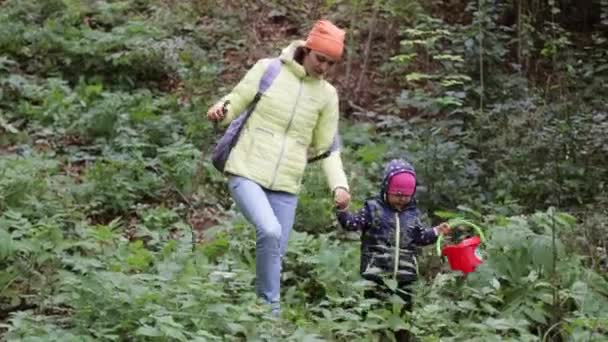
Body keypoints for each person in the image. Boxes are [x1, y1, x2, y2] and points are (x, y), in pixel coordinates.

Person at [206, 19, 351, 314]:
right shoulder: (268, 69)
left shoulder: (327, 96)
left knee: (275, 253)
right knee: (269, 232)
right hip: (246, 168)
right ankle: (272, 314)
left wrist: (340, 185)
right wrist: (220, 111)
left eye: (331, 63)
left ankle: (259, 315)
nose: (323, 67)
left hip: (286, 183)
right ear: (307, 49)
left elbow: (327, 149)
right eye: (320, 58)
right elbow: (234, 102)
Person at [336, 159, 450, 338]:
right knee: (374, 315)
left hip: (405, 278)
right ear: (386, 189)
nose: (400, 201)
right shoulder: (372, 209)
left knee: (403, 318)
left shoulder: (413, 214)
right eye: (396, 195)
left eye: (405, 197)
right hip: (376, 276)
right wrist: (342, 210)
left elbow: (420, 238)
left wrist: (436, 231)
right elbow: (352, 224)